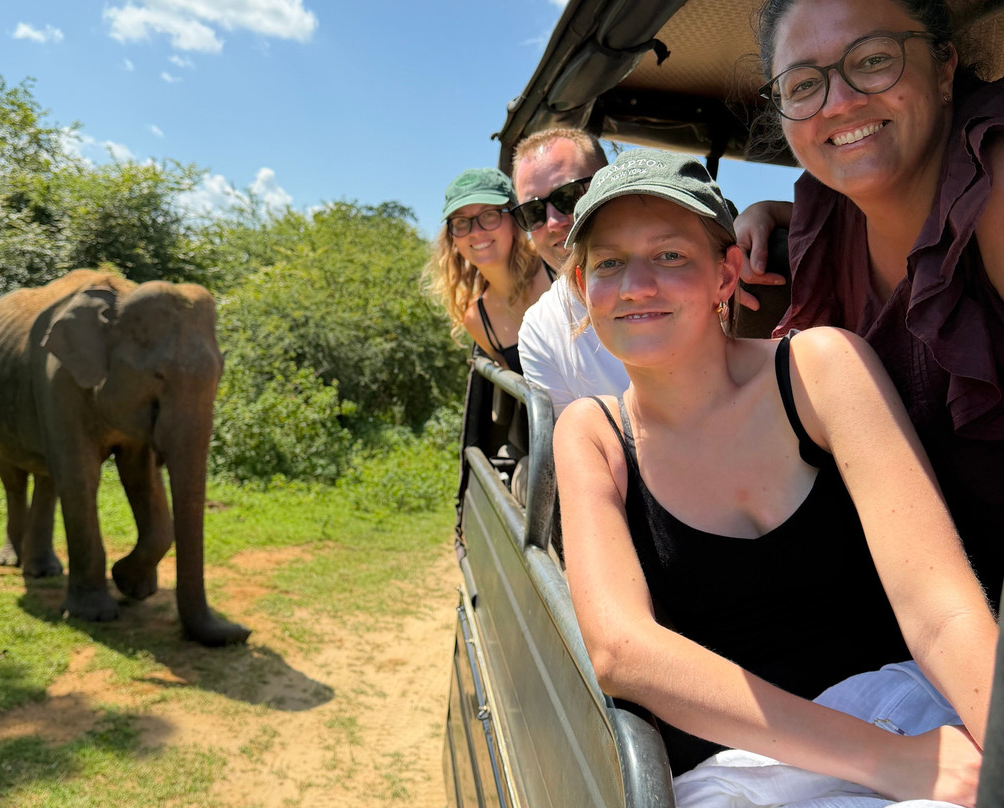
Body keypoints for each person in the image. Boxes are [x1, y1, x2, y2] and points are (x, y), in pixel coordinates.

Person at [554, 147, 996, 801]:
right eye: (609, 263)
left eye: (670, 255)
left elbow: (938, 604)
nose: (636, 284)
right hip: (745, 768)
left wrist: (996, 744)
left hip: (915, 710)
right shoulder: (593, 433)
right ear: (582, 289)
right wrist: (887, 761)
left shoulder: (821, 367)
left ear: (725, 274)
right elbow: (623, 648)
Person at [737, 0, 1004, 605]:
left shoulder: (994, 178)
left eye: (874, 59)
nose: (839, 102)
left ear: (943, 68)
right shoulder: (824, 223)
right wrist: (763, 214)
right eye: (804, 84)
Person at [512, 128, 629, 415]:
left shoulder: (686, 268)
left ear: (611, 182)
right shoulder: (540, 328)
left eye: (568, 196)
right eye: (533, 212)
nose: (553, 222)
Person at [425, 167, 547, 374]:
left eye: (489, 215)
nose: (476, 232)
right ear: (452, 237)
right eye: (462, 222)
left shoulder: (555, 269)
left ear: (514, 219)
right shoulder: (477, 320)